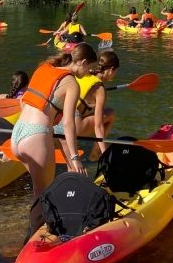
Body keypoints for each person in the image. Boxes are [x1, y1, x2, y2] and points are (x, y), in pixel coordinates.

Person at [11, 44, 97, 230]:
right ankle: (37, 241)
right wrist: (74, 158)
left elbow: (22, 101)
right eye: (89, 69)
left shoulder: (43, 68)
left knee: (39, 195)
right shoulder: (72, 83)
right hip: (36, 136)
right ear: (82, 62)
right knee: (46, 197)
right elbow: (68, 123)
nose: (89, 73)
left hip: (17, 135)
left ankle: (37, 233)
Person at [74, 51, 120, 161]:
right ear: (111, 69)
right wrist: (105, 153)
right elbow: (98, 126)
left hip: (60, 122)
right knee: (110, 113)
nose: (114, 75)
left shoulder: (83, 73)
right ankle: (95, 155)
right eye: (115, 72)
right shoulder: (100, 89)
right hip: (75, 127)